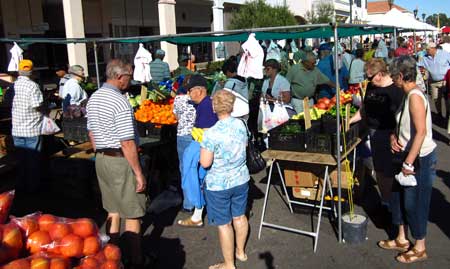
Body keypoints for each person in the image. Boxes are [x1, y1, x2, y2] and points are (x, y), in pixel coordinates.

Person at [86, 59, 147, 269]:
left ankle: (113, 256)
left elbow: (91, 131)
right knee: (132, 212)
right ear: (120, 77)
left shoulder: (94, 97)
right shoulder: (119, 101)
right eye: (129, 76)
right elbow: (127, 141)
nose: (130, 80)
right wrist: (138, 172)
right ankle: (136, 260)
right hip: (120, 160)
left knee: (112, 209)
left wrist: (99, 152)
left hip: (102, 159)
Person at [378, 56, 437, 264]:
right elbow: (405, 125)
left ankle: (420, 247)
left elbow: (421, 132)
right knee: (399, 198)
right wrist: (395, 137)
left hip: (419, 159)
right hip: (405, 154)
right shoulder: (407, 94)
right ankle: (402, 238)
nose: (392, 80)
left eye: (394, 76)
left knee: (415, 203)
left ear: (401, 76)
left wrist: (408, 163)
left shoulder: (414, 96)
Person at [200, 89, 250, 269]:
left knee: (224, 224)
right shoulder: (241, 125)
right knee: (240, 216)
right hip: (241, 178)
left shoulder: (211, 133)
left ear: (214, 107)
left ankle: (229, 264)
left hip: (219, 184)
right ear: (232, 105)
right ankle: (241, 252)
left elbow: (205, 163)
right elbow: (244, 145)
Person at [349, 58, 404, 207]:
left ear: (380, 74)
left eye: (370, 77)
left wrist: (396, 135)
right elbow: (364, 110)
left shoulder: (396, 91)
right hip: (374, 134)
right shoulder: (372, 88)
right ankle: (386, 201)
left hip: (390, 136)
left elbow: (403, 118)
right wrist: (349, 121)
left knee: (390, 171)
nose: (368, 80)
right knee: (379, 170)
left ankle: (394, 204)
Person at [177, 74, 218, 227]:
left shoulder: (206, 106)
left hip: (202, 148)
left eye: (190, 91)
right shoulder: (204, 103)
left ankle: (198, 211)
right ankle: (198, 214)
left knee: (192, 174)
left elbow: (206, 133)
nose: (188, 94)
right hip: (201, 147)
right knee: (199, 178)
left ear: (199, 91)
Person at [11, 59, 44, 193]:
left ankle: (21, 186)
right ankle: (33, 189)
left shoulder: (14, 85)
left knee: (22, 160)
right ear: (31, 71)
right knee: (33, 161)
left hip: (17, 128)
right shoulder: (32, 86)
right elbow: (37, 104)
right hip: (31, 128)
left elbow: (8, 101)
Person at [173, 80, 196, 213]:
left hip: (182, 136)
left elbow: (176, 116)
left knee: (185, 169)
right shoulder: (198, 99)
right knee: (198, 168)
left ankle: (188, 204)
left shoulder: (178, 99)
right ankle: (200, 201)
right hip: (197, 134)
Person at [418, 42, 450, 120]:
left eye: (427, 49)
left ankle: (448, 113)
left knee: (446, 98)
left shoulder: (445, 54)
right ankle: (439, 114)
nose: (426, 51)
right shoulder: (425, 57)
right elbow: (419, 65)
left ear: (433, 49)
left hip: (444, 80)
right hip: (433, 81)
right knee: (436, 99)